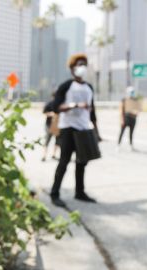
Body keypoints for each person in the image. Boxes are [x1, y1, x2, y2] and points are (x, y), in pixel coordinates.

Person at [49, 53, 98, 207]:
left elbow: (93, 111)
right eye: (79, 64)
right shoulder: (66, 86)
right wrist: (75, 106)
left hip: (83, 129)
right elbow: (55, 107)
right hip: (68, 129)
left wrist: (97, 132)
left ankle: (80, 192)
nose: (82, 67)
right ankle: (55, 193)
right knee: (64, 161)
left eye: (84, 64)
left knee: (82, 162)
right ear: (72, 68)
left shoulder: (89, 87)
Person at [118, 86, 141, 150]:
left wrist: (136, 112)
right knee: (122, 132)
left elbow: (138, 110)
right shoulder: (124, 100)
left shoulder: (135, 100)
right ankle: (118, 145)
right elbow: (121, 110)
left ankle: (131, 145)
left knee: (131, 133)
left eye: (133, 92)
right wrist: (121, 119)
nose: (132, 93)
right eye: (131, 92)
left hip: (133, 119)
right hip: (125, 119)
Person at [42, 93, 60, 162]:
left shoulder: (59, 104)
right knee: (47, 140)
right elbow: (44, 112)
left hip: (57, 126)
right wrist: (51, 114)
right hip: (49, 125)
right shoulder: (49, 104)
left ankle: (54, 155)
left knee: (57, 141)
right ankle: (44, 155)